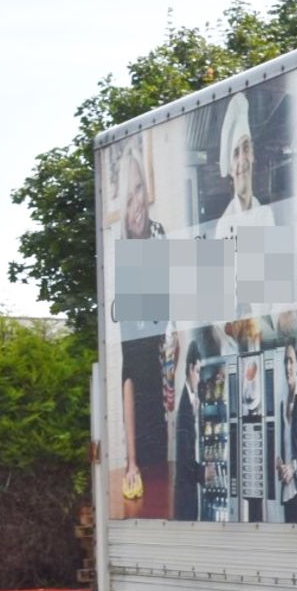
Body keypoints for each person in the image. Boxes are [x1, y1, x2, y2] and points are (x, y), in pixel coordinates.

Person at [118, 151, 167, 505]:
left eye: (140, 190)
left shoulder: (162, 238)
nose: (138, 203)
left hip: (170, 410)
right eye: (129, 196)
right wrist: (132, 461)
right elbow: (129, 378)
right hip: (150, 433)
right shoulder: (128, 267)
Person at [212, 93, 276, 238]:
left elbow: (276, 261)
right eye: (236, 153)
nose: (242, 160)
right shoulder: (224, 224)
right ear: (230, 169)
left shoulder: (266, 214)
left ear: (252, 155)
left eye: (246, 148)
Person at [277, 337, 297, 522]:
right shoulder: (284, 401)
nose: (287, 367)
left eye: (291, 361)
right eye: (285, 361)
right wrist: (280, 463)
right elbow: (289, 446)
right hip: (287, 492)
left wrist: (294, 466)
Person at [173, 340, 203, 520]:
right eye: (198, 372)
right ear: (191, 369)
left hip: (188, 494)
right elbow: (185, 459)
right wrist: (202, 472)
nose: (199, 378)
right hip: (185, 498)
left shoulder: (190, 402)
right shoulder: (184, 407)